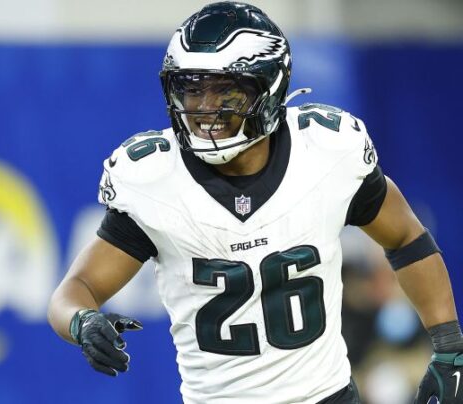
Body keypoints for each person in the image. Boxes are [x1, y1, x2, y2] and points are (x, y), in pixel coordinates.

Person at [48, 2, 463, 403]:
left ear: (269, 87)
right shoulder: (154, 179)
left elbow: (407, 236)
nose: (204, 108)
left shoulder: (327, 151)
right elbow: (75, 290)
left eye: (224, 92)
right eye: (192, 90)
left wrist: (449, 348)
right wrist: (82, 321)